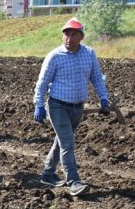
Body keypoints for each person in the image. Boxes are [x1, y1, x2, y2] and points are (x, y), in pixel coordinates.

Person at [33, 17, 109, 197]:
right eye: (66, 34)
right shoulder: (55, 56)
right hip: (57, 106)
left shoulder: (89, 54)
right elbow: (42, 83)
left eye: (73, 34)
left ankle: (48, 173)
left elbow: (96, 77)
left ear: (81, 37)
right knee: (68, 143)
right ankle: (73, 181)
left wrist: (103, 98)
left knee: (61, 142)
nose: (69, 38)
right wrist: (38, 104)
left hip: (78, 108)